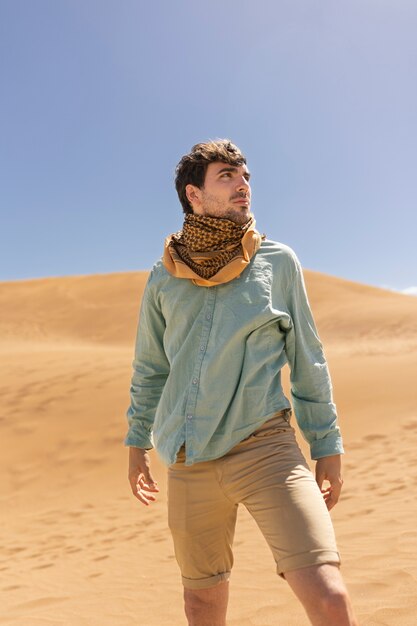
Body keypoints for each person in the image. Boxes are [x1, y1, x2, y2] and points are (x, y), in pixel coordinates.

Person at [125, 139, 358, 626]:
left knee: (329, 597)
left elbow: (307, 357)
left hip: (266, 448)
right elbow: (151, 368)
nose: (243, 185)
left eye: (245, 175)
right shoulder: (163, 278)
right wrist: (136, 444)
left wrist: (327, 445)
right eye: (227, 176)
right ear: (194, 194)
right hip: (188, 457)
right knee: (201, 605)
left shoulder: (278, 262)